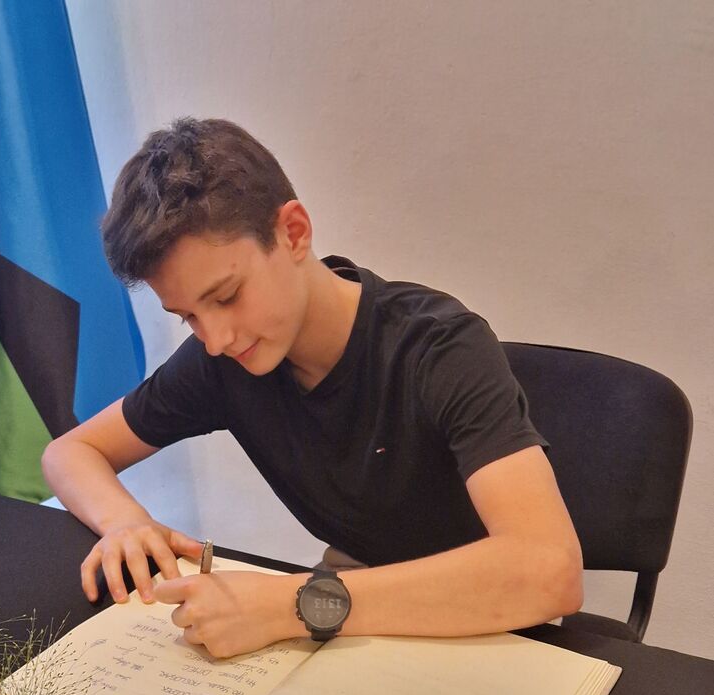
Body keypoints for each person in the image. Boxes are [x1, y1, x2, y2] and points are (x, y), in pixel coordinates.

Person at [42, 118, 582, 658]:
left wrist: (291, 605)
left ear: (294, 233)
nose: (216, 338)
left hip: (497, 620)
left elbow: (547, 571)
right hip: (354, 606)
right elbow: (71, 452)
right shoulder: (223, 363)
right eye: (188, 316)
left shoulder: (440, 347)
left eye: (227, 297)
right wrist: (125, 524)